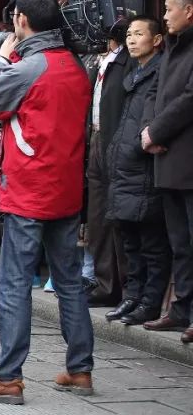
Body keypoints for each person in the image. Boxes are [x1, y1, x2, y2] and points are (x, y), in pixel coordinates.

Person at [0, 0, 93, 405]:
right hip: (66, 187)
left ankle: (7, 376)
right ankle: (80, 368)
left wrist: (1, 58)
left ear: (21, 21)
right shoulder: (74, 65)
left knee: (15, 282)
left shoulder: (28, 67)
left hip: (27, 189)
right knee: (70, 280)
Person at [104, 16, 171, 326]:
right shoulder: (134, 73)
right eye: (129, 34)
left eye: (139, 34)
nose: (131, 40)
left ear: (156, 40)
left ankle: (149, 301)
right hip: (124, 166)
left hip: (144, 167)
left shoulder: (161, 71)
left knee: (152, 243)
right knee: (130, 239)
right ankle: (132, 296)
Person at [141, 0, 193, 345]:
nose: (164, 14)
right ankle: (181, 309)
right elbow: (157, 94)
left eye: (169, 8)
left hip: (187, 157)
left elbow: (190, 99)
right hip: (168, 157)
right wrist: (149, 131)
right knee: (180, 241)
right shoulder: (174, 47)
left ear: (188, 10)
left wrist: (156, 130)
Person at [84, 19, 131, 306]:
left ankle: (126, 288)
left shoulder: (128, 61)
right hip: (96, 137)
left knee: (119, 216)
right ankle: (104, 284)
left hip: (116, 140)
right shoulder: (99, 60)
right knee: (97, 215)